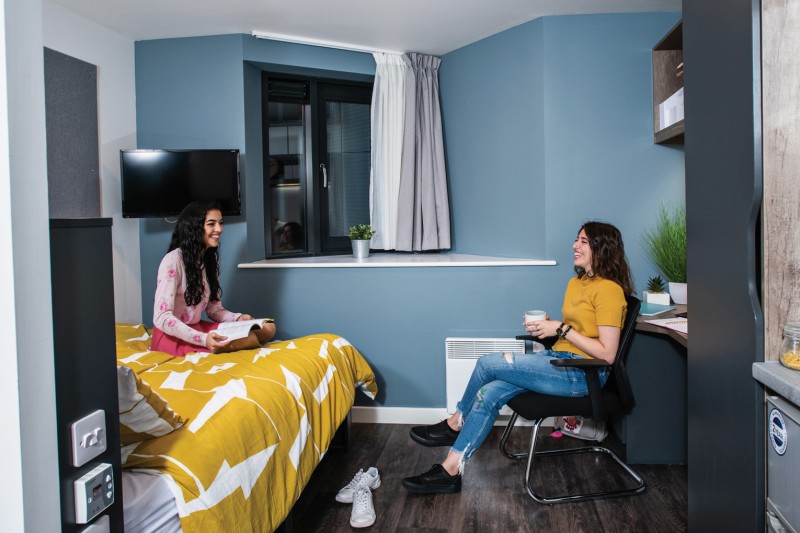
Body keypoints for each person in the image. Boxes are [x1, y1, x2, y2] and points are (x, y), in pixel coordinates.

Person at [402, 221, 633, 494]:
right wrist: (548, 327)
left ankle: (455, 422)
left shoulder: (609, 290)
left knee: (487, 363)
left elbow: (607, 354)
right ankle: (450, 470)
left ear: (601, 248)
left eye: (583, 241)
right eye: (576, 240)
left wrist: (561, 328)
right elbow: (577, 330)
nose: (574, 246)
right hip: (558, 361)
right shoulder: (577, 283)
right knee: (487, 393)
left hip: (581, 375)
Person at [151, 201, 276, 356]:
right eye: (211, 224)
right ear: (194, 227)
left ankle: (226, 342)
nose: (219, 229)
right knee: (249, 339)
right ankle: (218, 346)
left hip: (197, 327)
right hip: (172, 336)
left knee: (268, 327)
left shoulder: (207, 261)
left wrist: (238, 318)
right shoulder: (173, 260)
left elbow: (214, 310)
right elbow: (161, 317)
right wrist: (204, 339)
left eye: (220, 223)